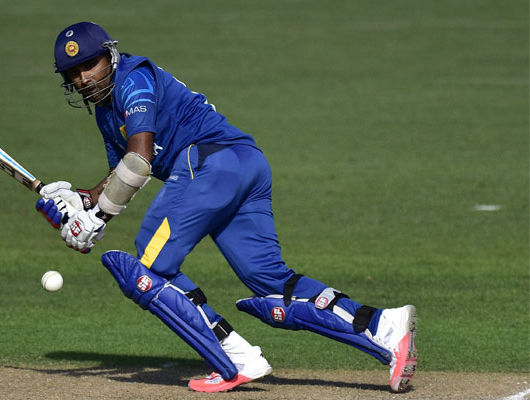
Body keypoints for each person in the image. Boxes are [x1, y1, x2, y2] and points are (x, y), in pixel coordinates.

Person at [35, 21, 418, 393]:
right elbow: (122, 172)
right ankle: (384, 325)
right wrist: (84, 200)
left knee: (149, 269)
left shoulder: (133, 79)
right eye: (73, 73)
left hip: (208, 163)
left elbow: (139, 162)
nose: (83, 78)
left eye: (89, 64)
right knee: (271, 283)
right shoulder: (106, 113)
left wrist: (98, 217)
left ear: (111, 56)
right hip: (243, 165)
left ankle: (235, 358)